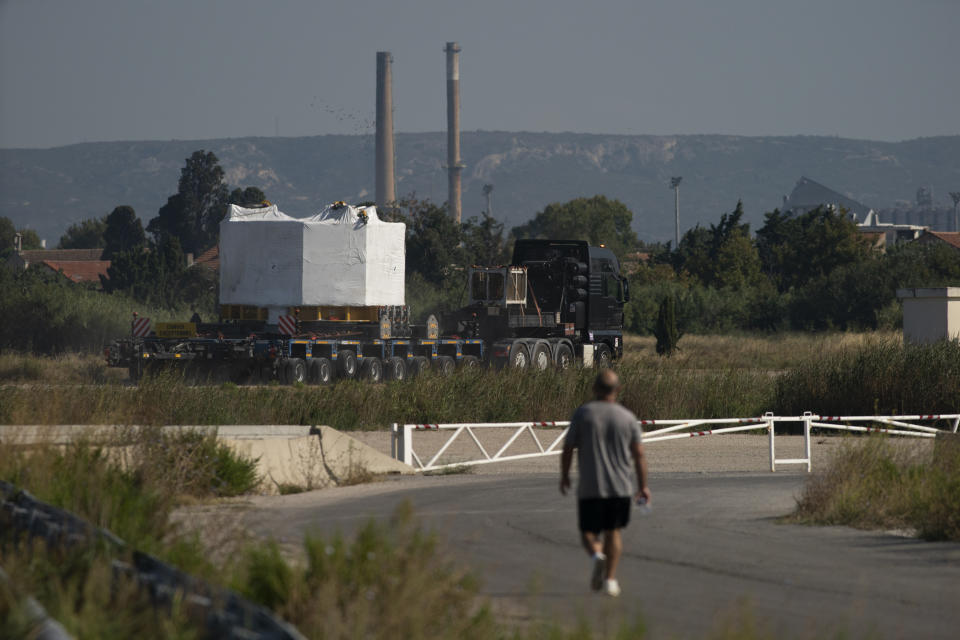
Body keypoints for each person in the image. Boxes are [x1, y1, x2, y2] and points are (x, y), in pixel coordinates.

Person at [560, 369, 650, 597]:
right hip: (620, 487)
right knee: (614, 532)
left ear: (594, 389)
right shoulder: (627, 418)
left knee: (588, 532)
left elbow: (568, 447)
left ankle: (596, 555)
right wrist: (643, 486)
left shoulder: (583, 414)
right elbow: (639, 454)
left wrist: (564, 476)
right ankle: (610, 580)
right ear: (617, 390)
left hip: (591, 486)